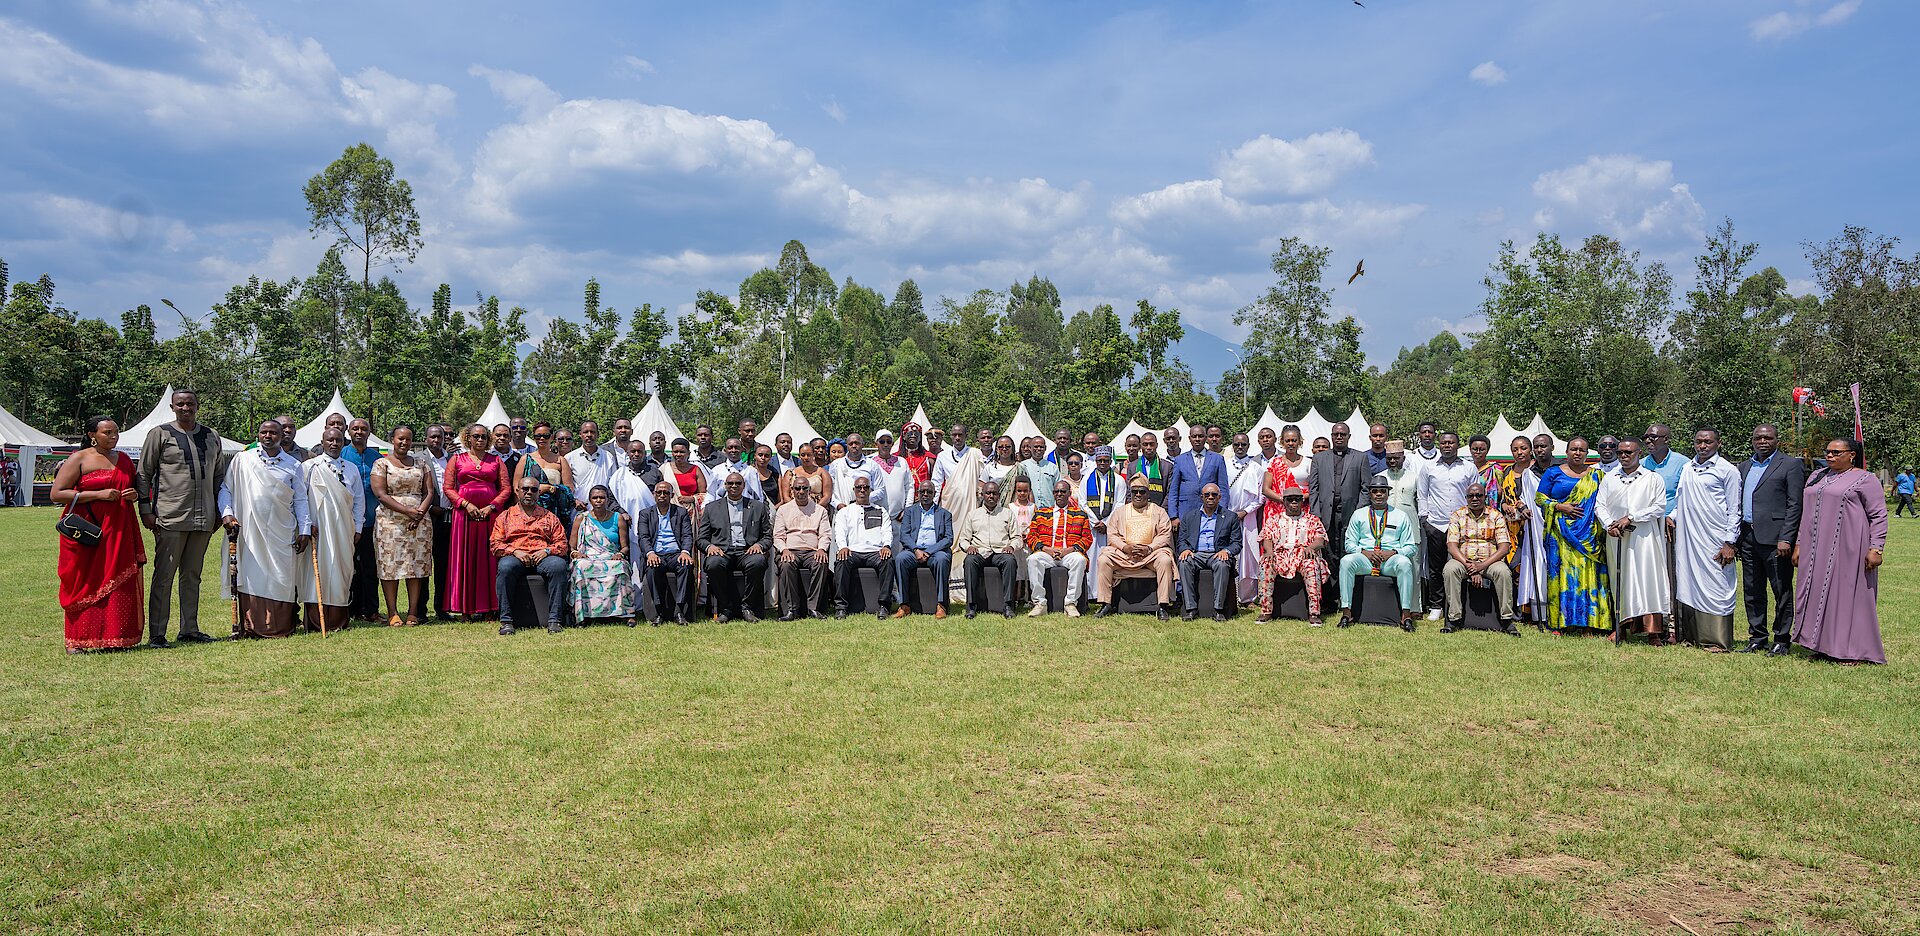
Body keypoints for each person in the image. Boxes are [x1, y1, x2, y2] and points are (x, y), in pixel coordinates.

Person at [135, 388, 227, 647]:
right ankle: (157, 633)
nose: (186, 408)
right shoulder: (160, 434)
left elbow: (219, 476)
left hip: (204, 517)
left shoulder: (211, 436)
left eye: (190, 403)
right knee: (164, 576)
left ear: (197, 406)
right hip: (171, 516)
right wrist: (145, 509)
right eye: (180, 404)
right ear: (172, 407)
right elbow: (144, 473)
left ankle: (189, 629)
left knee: (192, 575)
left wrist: (220, 510)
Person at [53, 416, 146, 652]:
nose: (114, 436)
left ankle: (116, 638)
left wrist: (133, 495)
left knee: (119, 579)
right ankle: (78, 640)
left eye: (116, 432)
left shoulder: (124, 460)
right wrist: (98, 494)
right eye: (107, 432)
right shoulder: (79, 458)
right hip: (87, 529)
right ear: (92, 435)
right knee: (84, 580)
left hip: (119, 528)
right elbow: (57, 493)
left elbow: (133, 487)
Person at [1793, 438, 1886, 664]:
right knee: (1816, 593)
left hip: (1849, 547)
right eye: (1828, 452)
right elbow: (1806, 513)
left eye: (1836, 452)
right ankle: (1821, 646)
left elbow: (1878, 515)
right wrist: (1799, 543)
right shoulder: (1817, 476)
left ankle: (1853, 651)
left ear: (1851, 455)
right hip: (1815, 549)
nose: (1830, 455)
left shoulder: (1866, 479)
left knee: (1847, 596)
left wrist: (1876, 548)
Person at [219, 420, 313, 638]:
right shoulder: (243, 460)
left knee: (282, 576)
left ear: (282, 436)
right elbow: (226, 489)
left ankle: (281, 625)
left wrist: (305, 529)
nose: (268, 436)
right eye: (264, 432)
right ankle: (252, 626)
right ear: (258, 435)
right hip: (250, 530)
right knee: (253, 574)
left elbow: (300, 499)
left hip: (283, 530)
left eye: (273, 433)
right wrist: (227, 513)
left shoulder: (293, 465)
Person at [1737, 424, 1806, 656]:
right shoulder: (1744, 466)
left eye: (1767, 438)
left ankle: (1782, 640)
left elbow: (1795, 504)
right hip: (1748, 536)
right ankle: (1757, 637)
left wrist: (1786, 537)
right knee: (1752, 590)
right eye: (1758, 438)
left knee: (1781, 590)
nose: (1762, 441)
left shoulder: (1790, 465)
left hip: (1776, 539)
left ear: (1777, 440)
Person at [1597, 438, 1672, 644]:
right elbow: (1600, 505)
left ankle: (1653, 632)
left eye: (1628, 452)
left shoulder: (1652, 478)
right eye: (1620, 452)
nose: (1623, 456)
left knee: (1649, 580)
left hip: (1645, 538)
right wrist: (1609, 525)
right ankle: (1621, 627)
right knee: (1621, 580)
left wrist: (1631, 517)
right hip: (1617, 537)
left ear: (1639, 453)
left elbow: (1659, 507)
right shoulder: (1610, 478)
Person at [1535, 436, 1612, 633]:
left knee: (1589, 577)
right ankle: (1560, 623)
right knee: (1561, 576)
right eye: (1574, 449)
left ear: (1587, 453)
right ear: (1566, 452)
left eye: (1582, 450)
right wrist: (1560, 506)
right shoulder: (1553, 472)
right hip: (1560, 534)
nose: (1577, 453)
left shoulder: (1597, 475)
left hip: (1589, 535)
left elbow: (1606, 502)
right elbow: (1540, 498)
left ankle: (1589, 624)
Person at [1673, 429, 1742, 644]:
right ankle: (1692, 636)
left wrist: (1729, 542)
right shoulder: (1687, 468)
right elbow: (1680, 500)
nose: (1702, 446)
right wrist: (1670, 517)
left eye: (1708, 442)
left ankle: (1717, 639)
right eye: (1699, 441)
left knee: (1717, 581)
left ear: (1718, 444)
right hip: (1689, 537)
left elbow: (1734, 509)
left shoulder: (1727, 470)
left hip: (1715, 537)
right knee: (1689, 580)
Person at [299, 426, 365, 634]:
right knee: (317, 572)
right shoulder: (309, 467)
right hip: (318, 529)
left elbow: (359, 501)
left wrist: (358, 526)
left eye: (338, 440)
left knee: (342, 570)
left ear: (343, 443)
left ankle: (338, 619)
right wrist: (306, 524)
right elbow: (300, 499)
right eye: (330, 440)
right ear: (323, 442)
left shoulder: (351, 469)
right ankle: (315, 621)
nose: (334, 444)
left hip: (344, 529)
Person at [443, 424, 511, 619]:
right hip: (464, 515)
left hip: (490, 515)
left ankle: (489, 608)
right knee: (465, 558)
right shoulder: (457, 459)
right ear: (468, 438)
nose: (480, 440)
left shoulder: (496, 460)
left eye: (483, 437)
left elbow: (506, 488)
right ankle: (465, 609)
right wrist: (466, 504)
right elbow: (448, 488)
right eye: (476, 436)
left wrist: (491, 506)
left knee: (489, 559)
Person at [370, 425, 434, 628]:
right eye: (400, 439)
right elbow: (380, 494)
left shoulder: (421, 463)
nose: (404, 442)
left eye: (408, 439)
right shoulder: (381, 464)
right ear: (392, 440)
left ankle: (413, 612)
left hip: (419, 522)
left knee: (415, 566)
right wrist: (407, 511)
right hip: (390, 522)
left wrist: (419, 513)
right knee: (390, 566)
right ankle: (392, 612)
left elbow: (429, 492)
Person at [1337, 476, 1418, 630]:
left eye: (1382, 491)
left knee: (1405, 563)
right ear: (1370, 494)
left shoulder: (1400, 515)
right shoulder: (1359, 514)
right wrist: (1364, 552)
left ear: (1388, 493)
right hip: (1365, 560)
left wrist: (1393, 552)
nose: (1379, 494)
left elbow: (1410, 547)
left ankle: (1406, 615)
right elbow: (1349, 544)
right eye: (1375, 491)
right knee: (1346, 561)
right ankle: (1347, 613)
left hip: (1389, 561)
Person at [491, 475, 569, 635]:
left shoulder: (549, 517)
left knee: (558, 566)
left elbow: (562, 544)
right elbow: (495, 544)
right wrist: (515, 551)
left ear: (539, 493)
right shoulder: (505, 517)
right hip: (516, 556)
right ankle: (506, 621)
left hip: (543, 558)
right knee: (505, 567)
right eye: (525, 489)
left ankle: (555, 620)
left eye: (534, 490)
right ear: (517, 491)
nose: (529, 493)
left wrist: (547, 551)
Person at [1094, 479, 1176, 620]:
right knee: (1104, 560)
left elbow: (1165, 535)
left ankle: (1163, 606)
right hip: (1125, 555)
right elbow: (1112, 535)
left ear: (1148, 493)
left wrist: (1149, 548)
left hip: (1150, 555)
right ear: (1130, 493)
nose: (1138, 494)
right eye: (1134, 491)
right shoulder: (1120, 512)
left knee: (1165, 560)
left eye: (1142, 491)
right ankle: (1105, 604)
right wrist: (1125, 547)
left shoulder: (1159, 511)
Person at [1442, 481, 1516, 634]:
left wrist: (1482, 566)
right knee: (1450, 569)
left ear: (1485, 497)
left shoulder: (1496, 516)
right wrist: (1469, 565)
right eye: (1471, 496)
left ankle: (1507, 620)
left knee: (1503, 572)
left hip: (1490, 561)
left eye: (1478, 495)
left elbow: (1504, 547)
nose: (1474, 498)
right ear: (1466, 498)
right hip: (1464, 561)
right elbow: (1451, 546)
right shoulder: (1457, 516)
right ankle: (1453, 619)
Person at [698, 471, 772, 623]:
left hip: (747, 551)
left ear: (744, 486)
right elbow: (701, 539)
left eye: (738, 483)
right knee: (713, 563)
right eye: (730, 483)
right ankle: (726, 608)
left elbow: (767, 536)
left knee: (758, 562)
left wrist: (759, 545)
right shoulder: (712, 508)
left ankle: (747, 607)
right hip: (722, 551)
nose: (734, 486)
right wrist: (710, 547)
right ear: (725, 486)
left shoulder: (757, 507)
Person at [1417, 431, 1475, 619]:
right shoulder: (1429, 467)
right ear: (1439, 445)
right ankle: (1436, 605)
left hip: (1462, 525)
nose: (1447, 446)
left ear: (1457, 445)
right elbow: (1422, 494)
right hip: (1436, 524)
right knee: (1436, 567)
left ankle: (1458, 604)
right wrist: (1425, 520)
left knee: (1461, 565)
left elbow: (1475, 495)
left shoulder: (1469, 467)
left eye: (1451, 443)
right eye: (1443, 443)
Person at [1259, 488, 1329, 626]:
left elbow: (1320, 540)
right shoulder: (1274, 519)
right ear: (1284, 501)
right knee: (1266, 563)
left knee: (1311, 565)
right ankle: (1266, 611)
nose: (1294, 502)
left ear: (1302, 501)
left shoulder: (1312, 520)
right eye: (1290, 499)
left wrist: (1311, 547)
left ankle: (1314, 613)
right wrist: (1269, 551)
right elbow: (1266, 537)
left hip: (1303, 554)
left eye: (1297, 499)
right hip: (1280, 555)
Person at [568, 485, 634, 625]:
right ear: (590, 500)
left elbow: (625, 547)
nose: (598, 500)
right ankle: (582, 614)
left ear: (607, 500)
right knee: (580, 566)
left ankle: (627, 613)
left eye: (602, 497)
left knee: (621, 567)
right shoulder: (581, 518)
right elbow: (572, 546)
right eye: (595, 498)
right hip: (588, 557)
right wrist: (576, 553)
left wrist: (620, 554)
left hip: (611, 556)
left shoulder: (618, 518)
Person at [1027, 480, 1093, 618]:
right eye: (1056, 491)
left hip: (1069, 553)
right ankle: (1039, 603)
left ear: (1069, 493)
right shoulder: (1041, 514)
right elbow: (1031, 537)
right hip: (1047, 553)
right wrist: (1047, 549)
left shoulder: (1080, 514)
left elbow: (1087, 539)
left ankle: (1070, 603)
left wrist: (1068, 550)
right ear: (1053, 493)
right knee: (1033, 559)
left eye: (1063, 491)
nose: (1059, 494)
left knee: (1080, 560)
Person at [1176, 483, 1241, 621]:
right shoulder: (1189, 516)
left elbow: (1237, 543)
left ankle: (1218, 610)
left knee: (1222, 564)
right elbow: (1181, 541)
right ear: (1202, 497)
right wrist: (1185, 549)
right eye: (1207, 494)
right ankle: (1190, 608)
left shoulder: (1230, 517)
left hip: (1217, 554)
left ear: (1219, 497)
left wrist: (1227, 551)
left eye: (1214, 495)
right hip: (1196, 554)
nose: (1210, 497)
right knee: (1184, 562)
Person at [958, 479, 1022, 619]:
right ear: (982, 495)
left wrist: (1011, 546)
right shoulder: (973, 515)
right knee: (969, 561)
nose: (991, 496)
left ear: (999, 495)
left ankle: (1008, 605)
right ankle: (971, 606)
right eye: (988, 493)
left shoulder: (1007, 513)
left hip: (1000, 552)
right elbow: (963, 539)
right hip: (979, 552)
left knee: (1010, 561)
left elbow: (1017, 537)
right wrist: (969, 547)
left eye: (994, 493)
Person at [833, 478, 896, 619]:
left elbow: (887, 531)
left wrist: (886, 546)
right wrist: (843, 547)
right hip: (853, 551)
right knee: (841, 560)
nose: (862, 490)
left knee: (888, 560)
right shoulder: (845, 511)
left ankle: (884, 606)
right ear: (854, 490)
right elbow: (840, 531)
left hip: (875, 552)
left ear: (870, 490)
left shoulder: (880, 510)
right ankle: (841, 607)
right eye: (859, 487)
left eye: (866, 487)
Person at [634, 478, 694, 625]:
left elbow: (687, 535)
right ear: (654, 494)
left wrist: (685, 552)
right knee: (652, 568)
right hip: (656, 554)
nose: (662, 495)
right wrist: (650, 553)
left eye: (666, 493)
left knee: (686, 566)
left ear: (671, 495)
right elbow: (643, 537)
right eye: (659, 492)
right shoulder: (645, 513)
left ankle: (679, 611)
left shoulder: (681, 512)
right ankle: (658, 611)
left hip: (676, 554)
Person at [341, 418, 384, 622]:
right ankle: (349, 609)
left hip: (371, 522)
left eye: (363, 429)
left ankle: (371, 610)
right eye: (355, 428)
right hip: (345, 522)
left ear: (369, 432)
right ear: (348, 432)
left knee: (370, 568)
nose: (359, 432)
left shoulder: (377, 458)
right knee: (349, 568)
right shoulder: (341, 455)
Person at [892, 481, 954, 618]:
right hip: (914, 551)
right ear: (918, 493)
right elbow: (904, 535)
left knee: (942, 559)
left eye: (929, 492)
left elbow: (948, 538)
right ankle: (904, 605)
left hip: (935, 552)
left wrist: (929, 551)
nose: (925, 494)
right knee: (900, 559)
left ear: (934, 494)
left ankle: (941, 605)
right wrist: (916, 550)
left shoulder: (944, 514)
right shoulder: (910, 512)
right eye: (922, 492)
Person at [772, 480, 831, 621]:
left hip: (812, 551)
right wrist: (784, 550)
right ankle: (792, 610)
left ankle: (813, 608)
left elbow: (825, 535)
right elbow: (778, 536)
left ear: (809, 490)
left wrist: (821, 549)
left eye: (805, 488)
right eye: (798, 488)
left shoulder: (820, 510)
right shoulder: (783, 510)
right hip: (790, 550)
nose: (801, 491)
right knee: (786, 564)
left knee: (820, 562)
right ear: (792, 490)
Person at [1309, 422, 1367, 564]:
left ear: (1349, 436)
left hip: (1350, 512)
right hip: (1326, 513)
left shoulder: (1360, 457)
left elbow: (1366, 488)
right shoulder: (1319, 458)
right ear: (1332, 436)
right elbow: (1313, 488)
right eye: (1336, 434)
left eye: (1343, 434)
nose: (1339, 437)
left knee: (1347, 549)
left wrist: (1358, 512)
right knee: (1328, 551)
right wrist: (1315, 514)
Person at [1500, 436, 1544, 623]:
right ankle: (1518, 611)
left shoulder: (1537, 470)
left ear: (1531, 450)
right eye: (1515, 449)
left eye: (1523, 448)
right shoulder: (1507, 471)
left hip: (1532, 525)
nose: (1519, 452)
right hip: (1512, 528)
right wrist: (1505, 506)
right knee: (1514, 568)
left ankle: (1533, 610)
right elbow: (1502, 498)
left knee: (1531, 566)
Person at [1225, 433, 1267, 602]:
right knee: (1229, 554)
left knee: (1249, 557)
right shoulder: (1226, 465)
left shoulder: (1256, 468)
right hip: (1227, 516)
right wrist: (1229, 514)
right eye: (1237, 444)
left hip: (1249, 518)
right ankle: (1230, 595)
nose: (1240, 447)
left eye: (1243, 444)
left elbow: (1261, 497)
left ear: (1249, 446)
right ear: (1233, 446)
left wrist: (1245, 512)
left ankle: (1248, 597)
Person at [516, 421, 576, 532]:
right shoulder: (525, 459)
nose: (542, 439)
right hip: (529, 510)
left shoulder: (560, 460)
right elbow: (516, 487)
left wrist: (550, 488)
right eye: (538, 436)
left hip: (554, 511)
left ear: (552, 437)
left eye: (546, 436)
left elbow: (569, 489)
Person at [422, 424, 455, 620]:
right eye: (433, 436)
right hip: (426, 517)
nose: (436, 440)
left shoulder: (453, 459)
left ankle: (442, 608)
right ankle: (420, 611)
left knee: (443, 566)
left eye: (440, 437)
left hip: (449, 519)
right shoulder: (418, 459)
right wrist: (430, 508)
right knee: (423, 565)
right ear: (426, 438)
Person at [1167, 424, 1228, 531]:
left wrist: (1222, 513)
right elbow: (1173, 490)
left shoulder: (1218, 459)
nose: (1197, 439)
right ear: (1189, 438)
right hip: (1185, 512)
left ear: (1206, 438)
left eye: (1200, 436)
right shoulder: (1180, 460)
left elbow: (1223, 489)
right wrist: (1173, 516)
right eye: (1194, 436)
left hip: (1211, 511)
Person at [1081, 446, 1123, 598]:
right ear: (1096, 461)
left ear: (1110, 461)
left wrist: (1106, 522)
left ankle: (1107, 593)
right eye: (1100, 460)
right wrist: (1095, 522)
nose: (1103, 463)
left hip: (1110, 528)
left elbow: (1119, 504)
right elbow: (1082, 503)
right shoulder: (1087, 479)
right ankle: (1092, 593)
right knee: (1092, 559)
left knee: (1109, 559)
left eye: (1106, 460)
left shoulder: (1118, 480)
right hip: (1092, 527)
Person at [564, 421, 618, 510]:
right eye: (585, 432)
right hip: (578, 509)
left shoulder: (608, 457)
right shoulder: (570, 458)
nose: (589, 435)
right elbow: (566, 487)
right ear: (580, 434)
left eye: (592, 432)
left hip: (604, 510)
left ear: (597, 434)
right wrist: (574, 501)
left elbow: (614, 485)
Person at [830, 433, 887, 512]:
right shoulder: (836, 465)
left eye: (857, 443)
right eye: (851, 444)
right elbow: (829, 490)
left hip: (866, 511)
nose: (854, 446)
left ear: (862, 445)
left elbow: (880, 490)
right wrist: (838, 505)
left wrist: (863, 499)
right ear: (847, 446)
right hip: (842, 511)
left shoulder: (872, 465)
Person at [932, 423, 980, 515]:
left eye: (960, 435)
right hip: (949, 503)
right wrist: (933, 505)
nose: (957, 438)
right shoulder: (942, 456)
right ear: (951, 436)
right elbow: (936, 482)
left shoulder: (976, 454)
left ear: (966, 436)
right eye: (954, 435)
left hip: (971, 504)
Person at [872, 429, 914, 515]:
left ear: (892, 444)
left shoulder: (902, 462)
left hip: (900, 516)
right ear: (876, 444)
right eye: (882, 442)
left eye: (889, 441)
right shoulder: (870, 464)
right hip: (876, 515)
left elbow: (909, 486)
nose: (886, 444)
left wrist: (907, 509)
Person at [1016, 436, 1060, 509]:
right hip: (1028, 509)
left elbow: (1058, 488)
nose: (1038, 449)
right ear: (1030, 448)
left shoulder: (1053, 467)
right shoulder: (1022, 466)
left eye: (1041, 447)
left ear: (1045, 448)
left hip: (1049, 509)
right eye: (1036, 447)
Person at [1129, 432, 1172, 506]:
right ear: (1140, 446)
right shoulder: (1132, 467)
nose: (1148, 447)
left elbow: (1170, 493)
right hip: (1137, 509)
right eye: (1145, 444)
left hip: (1160, 509)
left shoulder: (1167, 466)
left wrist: (1161, 510)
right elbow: (1129, 493)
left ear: (1156, 445)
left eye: (1151, 444)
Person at [665, 438, 708, 512]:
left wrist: (692, 498)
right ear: (672, 453)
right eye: (676, 452)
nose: (678, 454)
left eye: (682, 452)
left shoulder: (695, 470)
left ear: (688, 453)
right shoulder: (664, 469)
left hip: (691, 512)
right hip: (669, 511)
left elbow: (704, 495)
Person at [980, 435, 1021, 500]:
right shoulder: (990, 467)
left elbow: (1028, 491)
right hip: (994, 505)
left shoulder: (1020, 468)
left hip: (1015, 505)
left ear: (1012, 448)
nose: (1004, 449)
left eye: (1008, 447)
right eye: (1001, 447)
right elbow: (980, 489)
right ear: (996, 449)